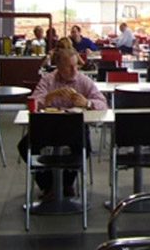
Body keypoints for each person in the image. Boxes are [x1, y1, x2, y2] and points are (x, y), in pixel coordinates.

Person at [17, 47, 108, 198]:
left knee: (84, 147)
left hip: (74, 129)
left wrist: (87, 103)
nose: (74, 70)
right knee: (24, 146)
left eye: (75, 65)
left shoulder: (83, 80)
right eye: (69, 66)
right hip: (48, 127)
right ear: (58, 67)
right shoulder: (48, 79)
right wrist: (50, 96)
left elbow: (103, 104)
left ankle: (66, 183)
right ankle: (48, 185)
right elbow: (34, 101)